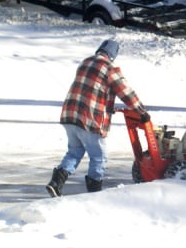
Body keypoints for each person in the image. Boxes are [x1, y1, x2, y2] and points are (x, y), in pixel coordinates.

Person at [46, 38, 148, 197]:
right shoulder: (109, 68)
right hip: (89, 120)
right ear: (113, 55)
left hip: (70, 115)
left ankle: (56, 182)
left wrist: (108, 105)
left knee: (74, 152)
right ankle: (94, 194)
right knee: (99, 157)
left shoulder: (85, 62)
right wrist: (142, 112)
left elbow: (92, 88)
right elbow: (125, 92)